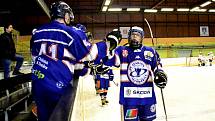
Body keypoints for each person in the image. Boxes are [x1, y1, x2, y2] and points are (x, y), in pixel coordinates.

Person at [30, 1, 121, 121]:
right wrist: (109, 43)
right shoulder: (69, 32)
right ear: (66, 15)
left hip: (37, 84)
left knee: (44, 117)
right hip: (57, 86)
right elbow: (90, 54)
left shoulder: (37, 32)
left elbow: (37, 58)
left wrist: (88, 69)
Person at [105, 26, 167, 121]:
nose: (134, 37)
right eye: (132, 35)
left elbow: (157, 65)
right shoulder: (121, 50)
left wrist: (160, 74)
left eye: (137, 35)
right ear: (128, 37)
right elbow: (111, 60)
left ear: (142, 38)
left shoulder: (150, 51)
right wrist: (109, 45)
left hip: (147, 97)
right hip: (129, 99)